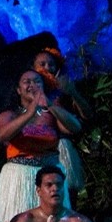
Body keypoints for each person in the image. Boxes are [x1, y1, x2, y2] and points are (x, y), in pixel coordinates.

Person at [0, 70, 81, 222]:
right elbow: (2, 136)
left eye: (37, 81)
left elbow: (75, 128)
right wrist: (30, 112)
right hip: (19, 177)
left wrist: (51, 106)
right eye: (27, 81)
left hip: (50, 176)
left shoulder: (52, 114)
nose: (32, 85)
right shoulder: (9, 115)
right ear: (18, 89)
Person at [32, 47, 90, 194]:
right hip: (36, 151)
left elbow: (86, 116)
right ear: (33, 67)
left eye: (51, 64)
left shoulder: (65, 89)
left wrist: (72, 92)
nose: (47, 68)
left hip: (61, 148)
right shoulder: (28, 89)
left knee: (65, 193)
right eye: (42, 64)